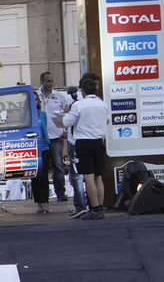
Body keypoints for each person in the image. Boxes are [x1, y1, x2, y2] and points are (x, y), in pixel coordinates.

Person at [60, 77, 109, 220]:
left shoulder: (79, 105)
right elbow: (107, 120)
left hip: (84, 142)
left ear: (83, 91)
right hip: (99, 142)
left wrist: (67, 112)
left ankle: (94, 208)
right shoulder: (102, 104)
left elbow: (66, 121)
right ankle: (100, 207)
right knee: (98, 176)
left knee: (88, 176)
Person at [66, 72, 99, 219]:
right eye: (95, 84)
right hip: (79, 141)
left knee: (92, 176)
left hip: (88, 140)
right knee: (81, 176)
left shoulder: (97, 101)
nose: (96, 87)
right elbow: (68, 121)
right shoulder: (77, 99)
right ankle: (82, 205)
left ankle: (95, 206)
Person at [36, 71, 70, 202]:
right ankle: (42, 195)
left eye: (51, 81)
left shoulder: (59, 96)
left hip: (56, 136)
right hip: (41, 138)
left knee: (58, 165)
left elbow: (67, 113)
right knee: (42, 167)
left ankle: (60, 192)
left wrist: (66, 130)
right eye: (48, 81)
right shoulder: (36, 96)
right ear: (42, 82)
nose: (50, 84)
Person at [31, 90, 51, 213]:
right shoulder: (26, 116)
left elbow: (45, 129)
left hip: (44, 147)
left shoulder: (42, 114)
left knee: (44, 176)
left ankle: (45, 201)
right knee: (34, 176)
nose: (34, 101)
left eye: (36, 99)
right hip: (32, 148)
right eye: (32, 99)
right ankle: (38, 201)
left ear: (38, 101)